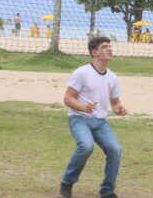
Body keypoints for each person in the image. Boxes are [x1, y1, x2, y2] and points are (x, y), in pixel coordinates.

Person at [59, 37, 128, 198]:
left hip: (100, 122)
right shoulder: (82, 72)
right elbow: (68, 98)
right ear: (94, 52)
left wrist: (119, 109)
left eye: (110, 46)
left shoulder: (113, 77)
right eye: (104, 47)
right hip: (79, 119)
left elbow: (115, 102)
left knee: (115, 150)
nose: (109, 49)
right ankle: (67, 182)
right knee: (86, 146)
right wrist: (83, 107)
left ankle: (107, 191)